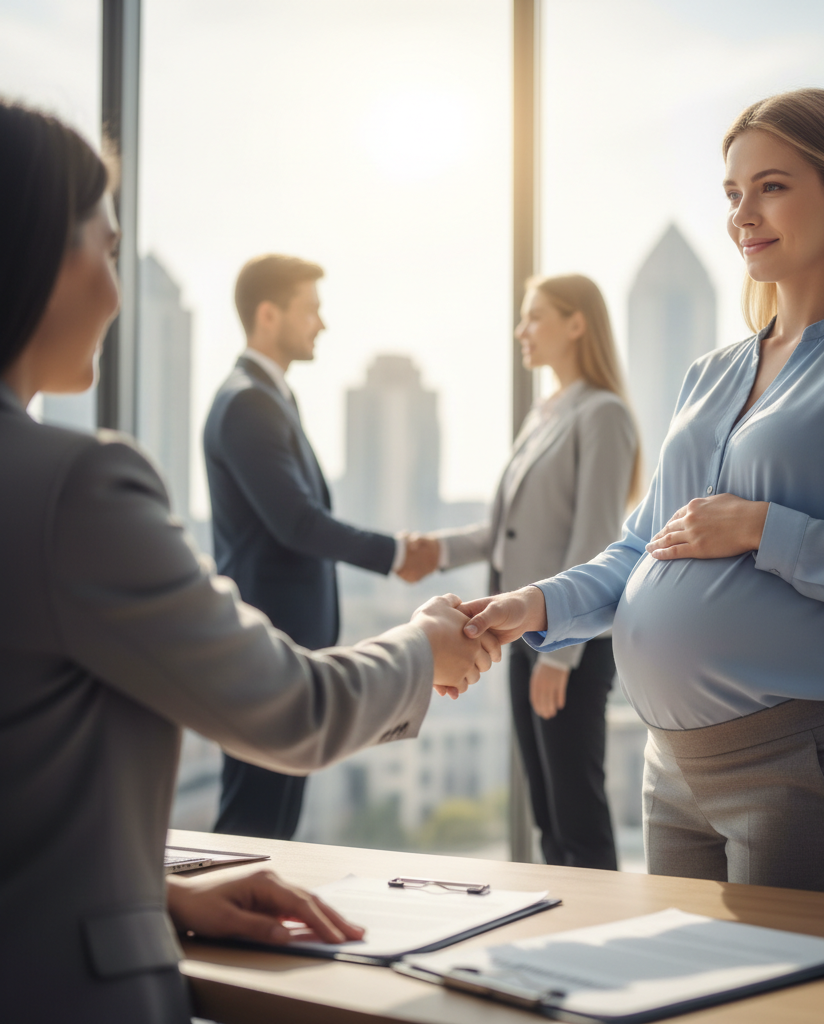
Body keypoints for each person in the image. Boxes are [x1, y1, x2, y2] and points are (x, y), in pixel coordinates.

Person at [0, 100, 498, 1024]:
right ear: (38, 254)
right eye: (107, 250)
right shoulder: (79, 487)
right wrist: (425, 644)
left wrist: (156, 892)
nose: (116, 294)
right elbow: (296, 709)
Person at [458, 88, 824, 897]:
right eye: (733, 193)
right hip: (671, 772)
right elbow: (640, 549)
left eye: (772, 186)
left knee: (788, 985)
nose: (743, 215)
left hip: (799, 767)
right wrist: (537, 604)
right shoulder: (709, 374)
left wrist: (765, 527)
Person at [204, 255, 438, 840]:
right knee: (255, 818)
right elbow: (297, 523)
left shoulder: (268, 396)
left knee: (272, 819)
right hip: (268, 645)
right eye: (310, 310)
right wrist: (394, 554)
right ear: (268, 315)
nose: (322, 324)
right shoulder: (248, 402)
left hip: (285, 645)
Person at [419, 275, 640, 870]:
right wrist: (432, 551)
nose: (522, 330)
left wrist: (559, 658)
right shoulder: (545, 414)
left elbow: (595, 538)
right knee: (547, 816)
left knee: (576, 817)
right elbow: (504, 530)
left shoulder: (603, 413)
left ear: (576, 324)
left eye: (535, 316)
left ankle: (602, 927)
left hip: (568, 640)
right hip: (522, 636)